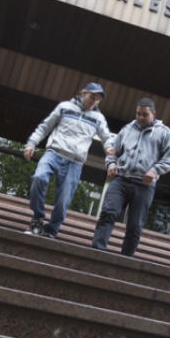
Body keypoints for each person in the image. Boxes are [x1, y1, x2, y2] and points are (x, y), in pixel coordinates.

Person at [23, 83, 114, 239]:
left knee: (63, 199)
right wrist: (31, 143)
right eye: (92, 97)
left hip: (75, 162)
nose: (94, 101)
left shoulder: (98, 118)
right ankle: (37, 220)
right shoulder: (64, 106)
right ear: (84, 93)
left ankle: (51, 230)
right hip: (54, 153)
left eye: (98, 100)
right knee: (39, 177)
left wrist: (108, 149)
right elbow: (45, 126)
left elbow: (107, 137)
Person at [91, 98, 170, 257]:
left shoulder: (164, 133)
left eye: (145, 114)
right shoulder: (127, 129)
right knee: (108, 212)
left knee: (135, 226)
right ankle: (96, 253)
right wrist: (111, 164)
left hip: (144, 186)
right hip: (121, 180)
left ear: (154, 113)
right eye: (138, 113)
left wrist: (155, 170)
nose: (140, 117)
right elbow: (113, 152)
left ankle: (125, 261)